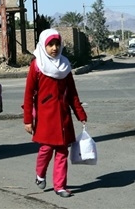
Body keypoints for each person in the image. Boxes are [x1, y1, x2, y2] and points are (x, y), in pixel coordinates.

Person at [22, 29, 88, 198]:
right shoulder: (37, 65)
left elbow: (72, 92)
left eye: (57, 44)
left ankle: (60, 185)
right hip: (45, 116)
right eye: (50, 44)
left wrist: (80, 113)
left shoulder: (65, 65)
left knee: (62, 152)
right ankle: (40, 173)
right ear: (44, 45)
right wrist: (28, 119)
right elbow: (29, 94)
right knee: (46, 148)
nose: (54, 48)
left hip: (63, 116)